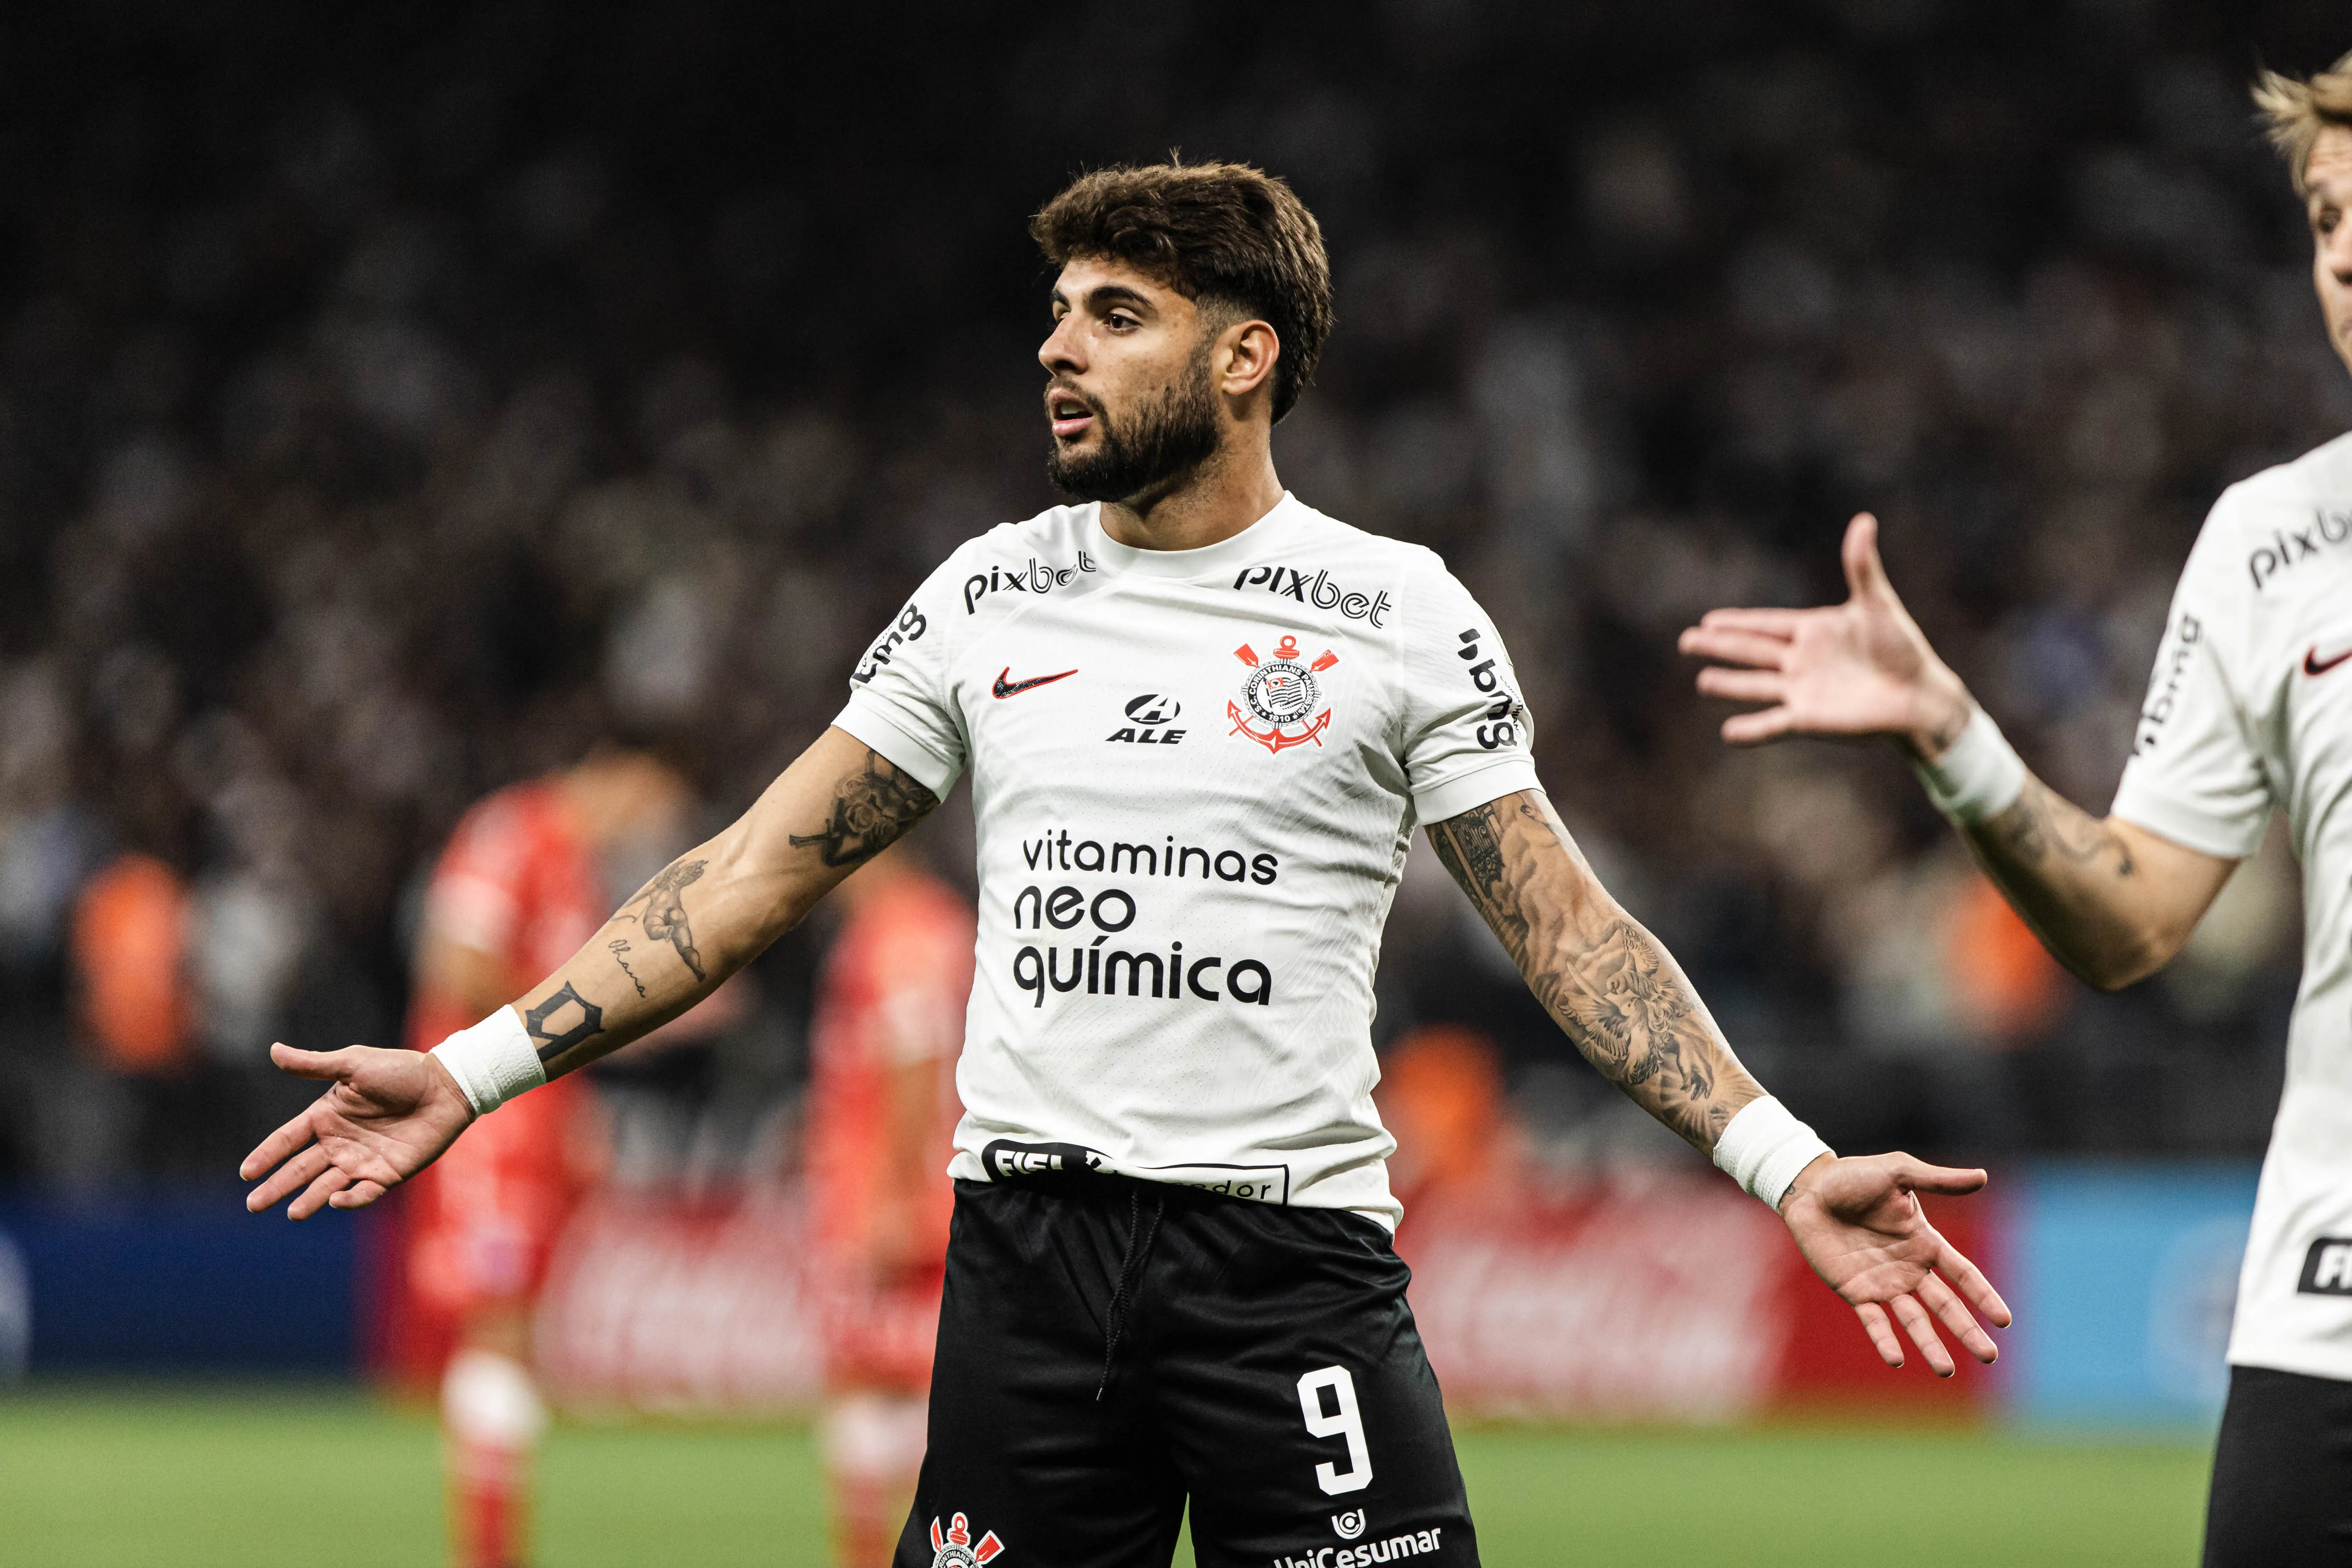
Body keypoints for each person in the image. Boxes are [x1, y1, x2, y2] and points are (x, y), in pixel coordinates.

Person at [244, 161, 2007, 1566]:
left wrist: (1780, 1162)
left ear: (1245, 356)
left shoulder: (1396, 613)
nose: (1057, 349)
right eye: (1058, 314)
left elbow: (1561, 926)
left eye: (1115, 313)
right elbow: (754, 867)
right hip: (1031, 1266)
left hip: (1290, 1266)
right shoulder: (989, 591)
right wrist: (473, 1070)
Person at [1677, 54, 2352, 1568]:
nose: (2348, 251)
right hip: (2328, 1306)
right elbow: (2131, 916)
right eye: (2322, 217)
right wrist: (1955, 738)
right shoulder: (2272, 543)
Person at [398, 745, 695, 1568]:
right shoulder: (510, 832)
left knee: (516, 1332)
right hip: (486, 1122)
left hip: (537, 1120)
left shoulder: (575, 864)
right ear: (624, 769)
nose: (658, 824)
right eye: (656, 799)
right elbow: (455, 965)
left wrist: (578, 1104)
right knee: (493, 1329)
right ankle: (488, 1553)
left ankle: (498, 1543)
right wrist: (571, 1015)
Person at [805, 844, 972, 1565]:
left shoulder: (899, 930)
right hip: (932, 1182)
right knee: (923, 1393)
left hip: (894, 1190)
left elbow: (912, 1058)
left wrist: (897, 1190)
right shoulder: (938, 922)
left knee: (872, 1386)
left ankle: (883, 1554)